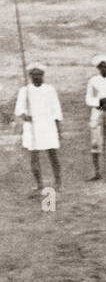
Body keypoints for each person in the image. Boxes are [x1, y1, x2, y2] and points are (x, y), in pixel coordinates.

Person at [14, 63, 62, 196]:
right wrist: (25, 116)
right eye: (34, 75)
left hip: (48, 125)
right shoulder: (25, 90)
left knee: (53, 154)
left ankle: (58, 182)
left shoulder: (49, 89)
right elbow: (19, 109)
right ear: (30, 76)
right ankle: (39, 183)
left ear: (43, 75)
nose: (36, 77)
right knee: (34, 156)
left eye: (39, 75)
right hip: (32, 126)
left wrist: (58, 127)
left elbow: (56, 109)